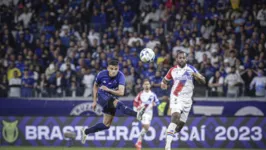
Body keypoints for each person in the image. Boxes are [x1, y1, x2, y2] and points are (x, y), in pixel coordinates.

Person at [64, 59, 146, 143]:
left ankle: (86, 131)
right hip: (102, 96)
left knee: (106, 125)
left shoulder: (121, 76)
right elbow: (95, 86)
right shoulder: (101, 74)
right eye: (111, 68)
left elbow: (121, 92)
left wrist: (108, 89)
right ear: (108, 68)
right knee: (115, 102)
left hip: (111, 97)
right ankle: (137, 114)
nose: (114, 71)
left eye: (116, 69)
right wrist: (94, 101)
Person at [160, 51, 206, 150]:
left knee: (180, 126)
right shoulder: (172, 70)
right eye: (179, 58)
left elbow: (203, 81)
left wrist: (198, 77)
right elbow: (164, 81)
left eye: (183, 58)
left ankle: (169, 132)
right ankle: (167, 146)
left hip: (187, 100)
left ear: (186, 59)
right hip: (176, 97)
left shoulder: (191, 69)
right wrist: (163, 85)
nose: (181, 59)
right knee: (176, 116)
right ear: (176, 59)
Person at [134, 79, 160, 150]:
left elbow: (158, 102)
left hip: (149, 113)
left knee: (146, 128)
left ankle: (138, 142)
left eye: (148, 84)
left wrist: (155, 104)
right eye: (145, 84)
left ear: (150, 85)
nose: (146, 85)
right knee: (146, 126)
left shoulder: (153, 95)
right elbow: (135, 102)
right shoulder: (140, 94)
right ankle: (138, 142)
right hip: (143, 112)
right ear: (143, 86)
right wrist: (137, 108)